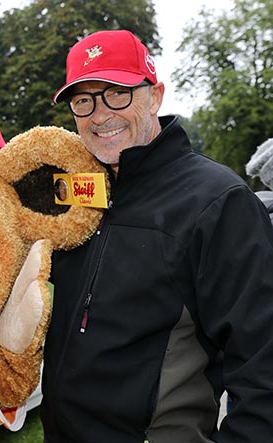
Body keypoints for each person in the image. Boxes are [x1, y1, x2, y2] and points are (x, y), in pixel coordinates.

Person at [40, 29, 273, 443]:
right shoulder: (72, 198)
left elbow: (262, 362)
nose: (99, 114)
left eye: (118, 93)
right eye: (83, 99)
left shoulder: (217, 199)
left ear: (155, 95)